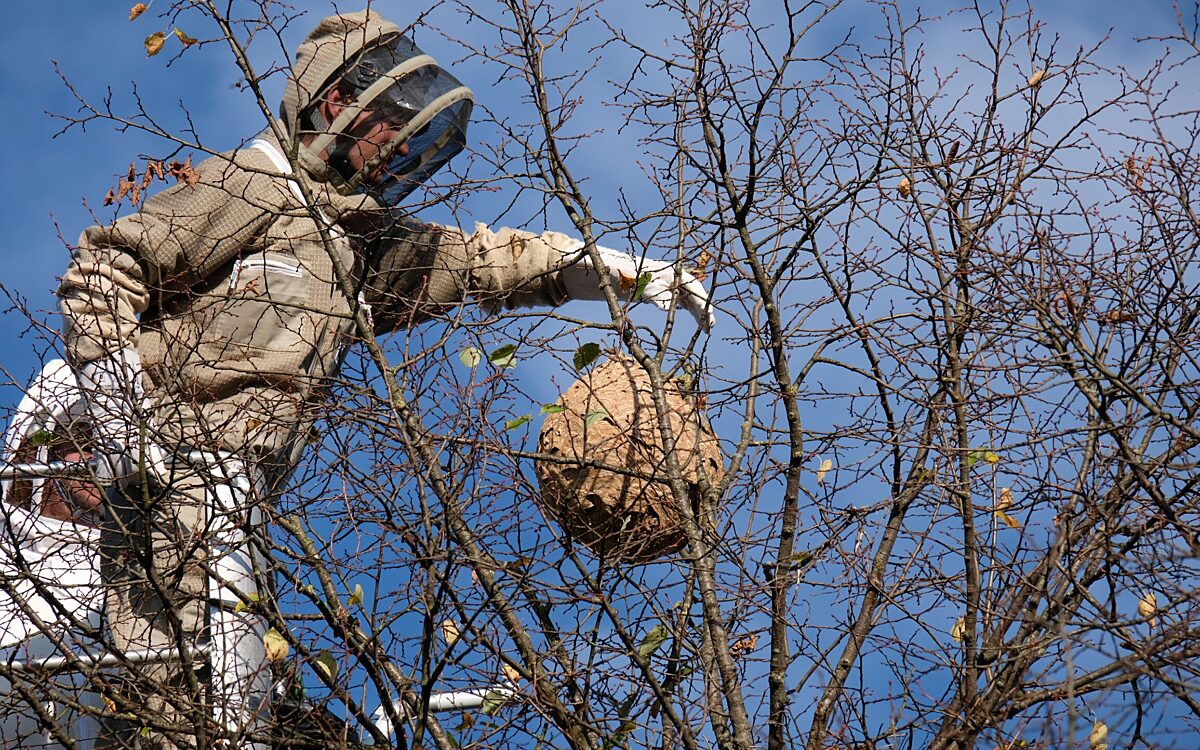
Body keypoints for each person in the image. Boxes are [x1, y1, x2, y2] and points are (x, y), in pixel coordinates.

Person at [57, 9, 712, 749]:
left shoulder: (355, 244)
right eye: (388, 126)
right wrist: (118, 406)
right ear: (338, 102)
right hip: (167, 466)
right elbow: (108, 265)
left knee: (257, 695)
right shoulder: (254, 185)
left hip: (241, 501)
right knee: (177, 695)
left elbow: (479, 263)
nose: (394, 151)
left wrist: (609, 272)